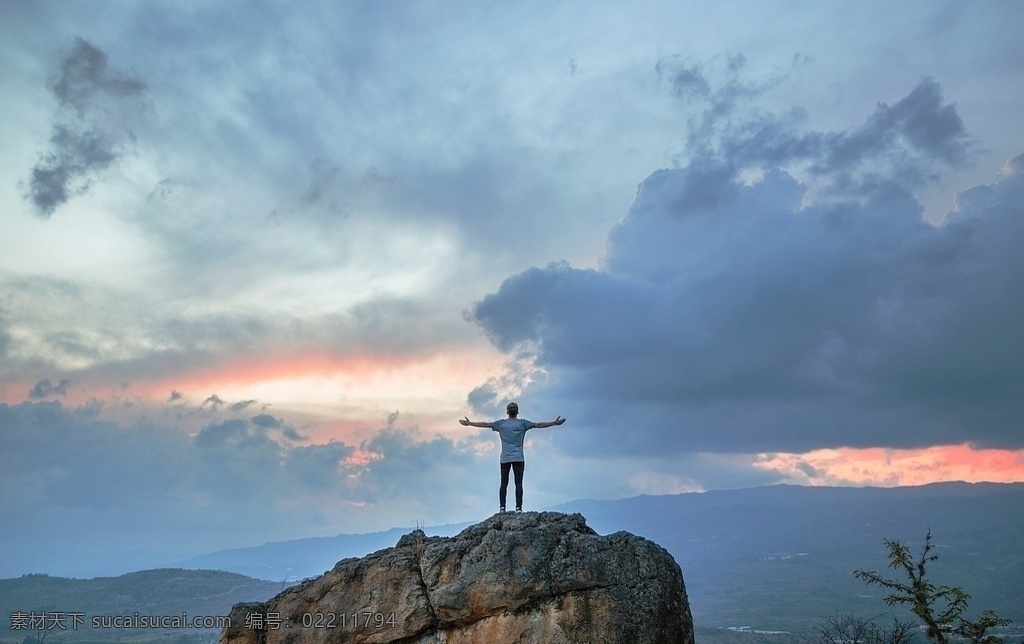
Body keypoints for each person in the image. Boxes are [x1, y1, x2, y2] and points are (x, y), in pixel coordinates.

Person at [460, 402, 566, 513]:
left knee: (503, 483)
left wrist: (470, 423)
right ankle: (518, 508)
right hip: (518, 458)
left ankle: (502, 508)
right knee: (518, 483)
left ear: (507, 412)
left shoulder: (501, 424)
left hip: (505, 458)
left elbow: (485, 424)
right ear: (518, 412)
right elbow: (539, 425)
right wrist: (554, 423)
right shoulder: (523, 424)